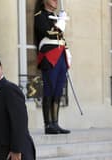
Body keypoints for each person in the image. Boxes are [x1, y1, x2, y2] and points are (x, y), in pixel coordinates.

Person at [0, 54, 36, 160]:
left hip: (14, 154)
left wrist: (16, 150)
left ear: (0, 68)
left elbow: (19, 123)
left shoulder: (10, 89)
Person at [33, 0, 71, 135]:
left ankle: (55, 122)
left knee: (58, 90)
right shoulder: (40, 15)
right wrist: (61, 22)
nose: (55, 1)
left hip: (60, 55)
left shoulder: (56, 16)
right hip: (49, 56)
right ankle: (48, 124)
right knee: (49, 89)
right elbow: (49, 33)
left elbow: (61, 38)